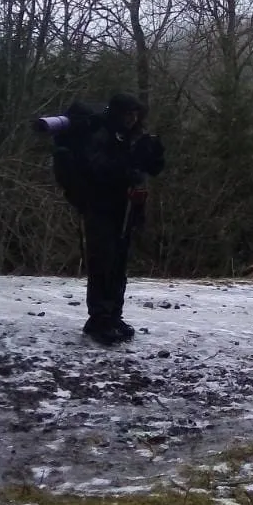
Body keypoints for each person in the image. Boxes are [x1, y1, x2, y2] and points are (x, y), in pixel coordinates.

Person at [58, 93, 166, 346]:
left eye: (135, 114)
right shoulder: (99, 135)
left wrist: (152, 155)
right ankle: (98, 319)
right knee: (102, 262)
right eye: (128, 113)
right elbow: (100, 169)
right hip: (99, 207)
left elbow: (150, 169)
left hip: (125, 208)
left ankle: (113, 316)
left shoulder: (129, 137)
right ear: (117, 113)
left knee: (119, 263)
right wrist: (129, 165)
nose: (132, 119)